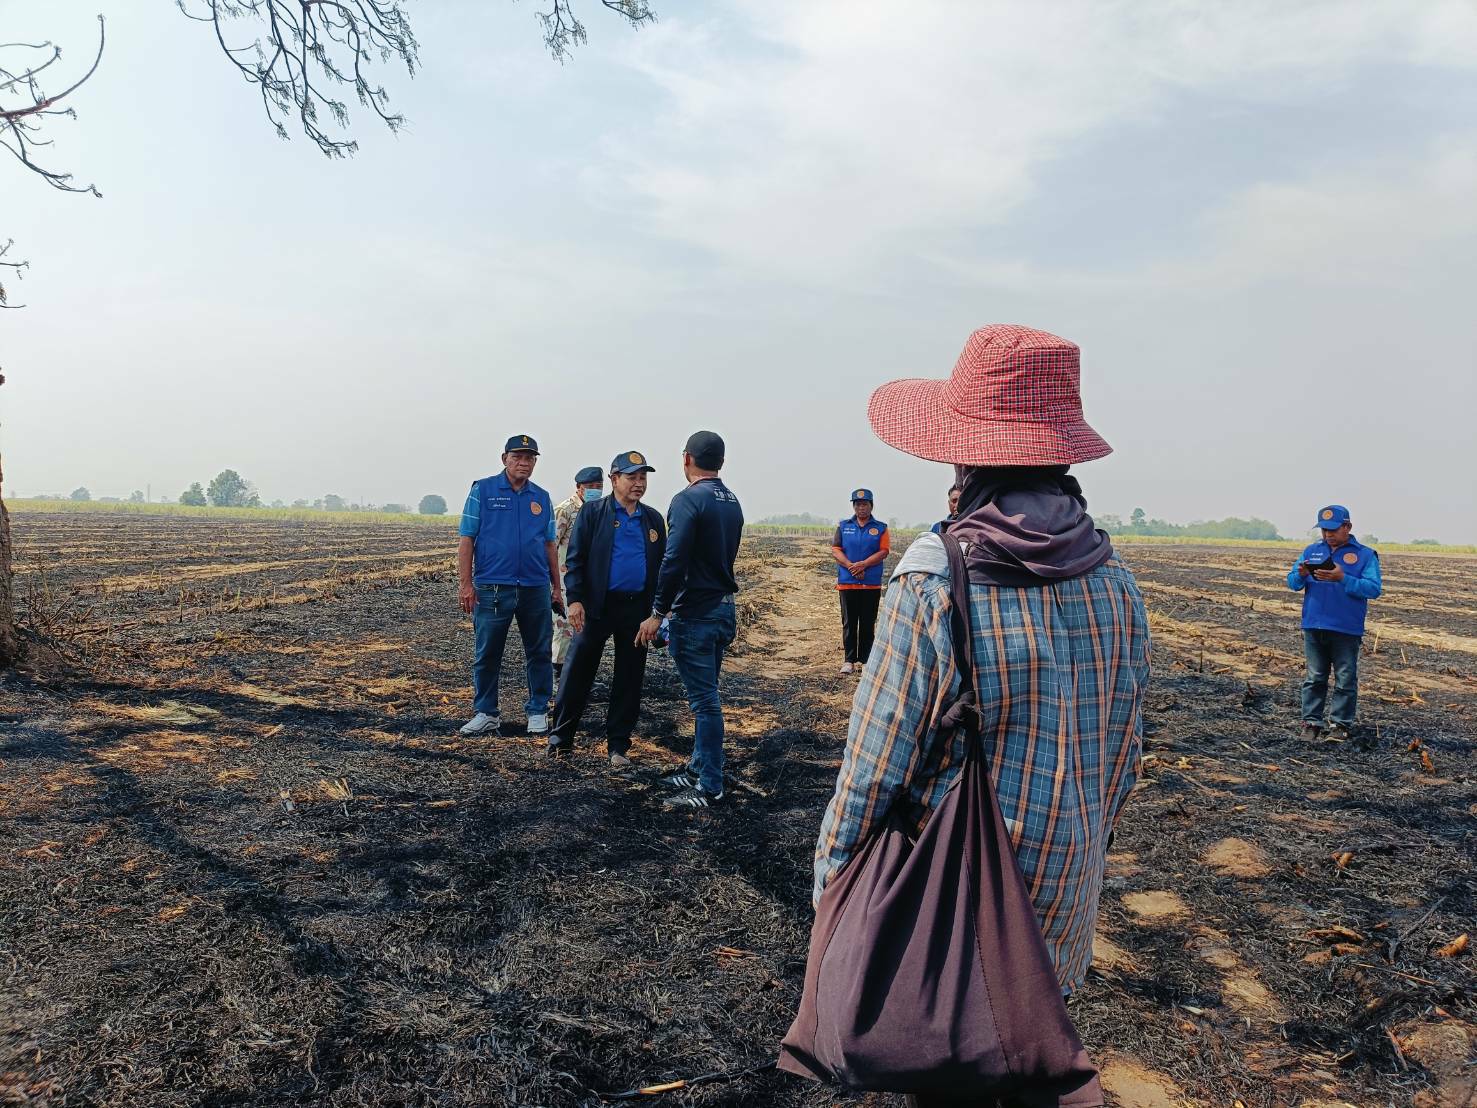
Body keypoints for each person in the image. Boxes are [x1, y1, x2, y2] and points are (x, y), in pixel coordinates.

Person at [813, 325, 1151, 1097]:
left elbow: (869, 779)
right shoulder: (1117, 584)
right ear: (1059, 457)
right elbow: (1123, 762)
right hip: (1059, 920)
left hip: (950, 928)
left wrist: (834, 905)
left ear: (966, 459)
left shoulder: (935, 582)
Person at [637, 431, 744, 810]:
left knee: (704, 702)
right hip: (722, 607)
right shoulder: (731, 501)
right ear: (721, 462)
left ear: (686, 459)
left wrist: (657, 613)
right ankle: (699, 766)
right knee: (707, 692)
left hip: (695, 612)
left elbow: (674, 560)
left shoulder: (687, 501)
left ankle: (710, 785)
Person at [547, 451, 667, 766]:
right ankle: (560, 742)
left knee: (629, 677)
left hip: (636, 610)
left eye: (643, 478)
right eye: (632, 477)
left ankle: (618, 747)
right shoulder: (593, 513)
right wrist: (575, 600)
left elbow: (661, 567)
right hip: (596, 607)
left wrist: (657, 613)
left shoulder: (653, 519)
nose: (638, 484)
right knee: (576, 673)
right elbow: (575, 560)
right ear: (614, 480)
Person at [456, 435, 562, 737]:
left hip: (534, 586)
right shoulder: (483, 490)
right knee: (488, 652)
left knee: (539, 651)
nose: (524, 463)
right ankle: (486, 712)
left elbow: (549, 544)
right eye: (518, 457)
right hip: (492, 588)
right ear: (505, 459)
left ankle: (538, 710)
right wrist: (466, 585)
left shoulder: (541, 498)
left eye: (530, 458)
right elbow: (467, 540)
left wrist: (556, 587)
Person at [1287, 504, 1382, 743]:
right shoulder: (1311, 551)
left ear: (1347, 527)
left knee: (1345, 678)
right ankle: (1311, 723)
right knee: (1314, 677)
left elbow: (1373, 588)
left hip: (1346, 627)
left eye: (1333, 529)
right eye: (1323, 530)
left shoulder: (1365, 555)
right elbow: (1292, 582)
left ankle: (1340, 725)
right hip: (1313, 624)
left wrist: (1342, 578)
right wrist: (1301, 574)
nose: (1327, 534)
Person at [552, 466, 605, 680]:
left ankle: (575, 675)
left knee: (583, 629)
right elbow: (550, 546)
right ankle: (556, 675)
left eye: (599, 487)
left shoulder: (600, 510)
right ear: (579, 487)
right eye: (590, 487)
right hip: (565, 579)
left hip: (589, 580)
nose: (595, 490)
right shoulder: (565, 510)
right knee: (563, 628)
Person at [831, 488, 890, 675]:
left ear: (871, 506)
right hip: (847, 581)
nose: (861, 507)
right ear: (854, 506)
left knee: (867, 622)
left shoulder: (881, 528)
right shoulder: (843, 526)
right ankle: (849, 660)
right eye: (857, 504)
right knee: (849, 622)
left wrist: (863, 565)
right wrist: (851, 566)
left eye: (865, 504)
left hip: (870, 583)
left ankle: (865, 660)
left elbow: (884, 551)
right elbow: (836, 549)